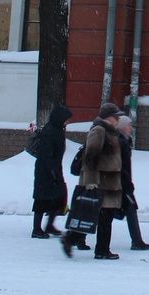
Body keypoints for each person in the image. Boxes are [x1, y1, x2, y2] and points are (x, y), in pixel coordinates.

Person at [62, 102, 124, 260]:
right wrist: (90, 181)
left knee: (103, 217)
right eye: (116, 117)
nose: (118, 120)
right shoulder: (99, 130)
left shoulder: (110, 132)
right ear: (109, 117)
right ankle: (75, 240)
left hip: (108, 182)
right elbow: (90, 157)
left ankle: (100, 249)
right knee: (96, 216)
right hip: (99, 182)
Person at [31, 104, 71, 239]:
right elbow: (46, 154)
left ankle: (49, 225)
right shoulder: (50, 131)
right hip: (45, 170)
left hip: (54, 168)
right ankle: (36, 229)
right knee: (41, 199)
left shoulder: (57, 129)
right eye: (66, 119)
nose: (67, 122)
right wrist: (53, 171)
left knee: (58, 197)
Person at [116, 115, 149, 250]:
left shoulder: (125, 141)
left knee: (128, 209)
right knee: (107, 210)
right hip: (120, 182)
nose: (131, 128)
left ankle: (137, 241)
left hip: (123, 182)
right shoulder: (120, 142)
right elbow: (120, 165)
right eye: (128, 125)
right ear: (121, 127)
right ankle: (76, 236)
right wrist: (126, 182)